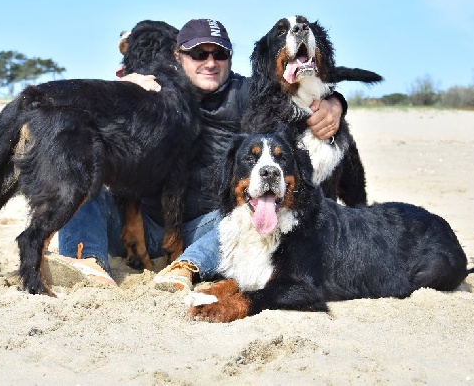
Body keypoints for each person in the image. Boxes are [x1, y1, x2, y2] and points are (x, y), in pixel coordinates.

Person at [45, 19, 344, 291]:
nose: (210, 63)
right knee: (79, 177)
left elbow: (299, 88)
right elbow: (87, 121)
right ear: (178, 57)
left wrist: (334, 103)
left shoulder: (248, 93)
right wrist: (120, 89)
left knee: (240, 213)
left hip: (207, 228)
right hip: (140, 226)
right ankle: (88, 265)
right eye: (200, 54)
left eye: (220, 54)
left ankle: (186, 268)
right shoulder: (153, 88)